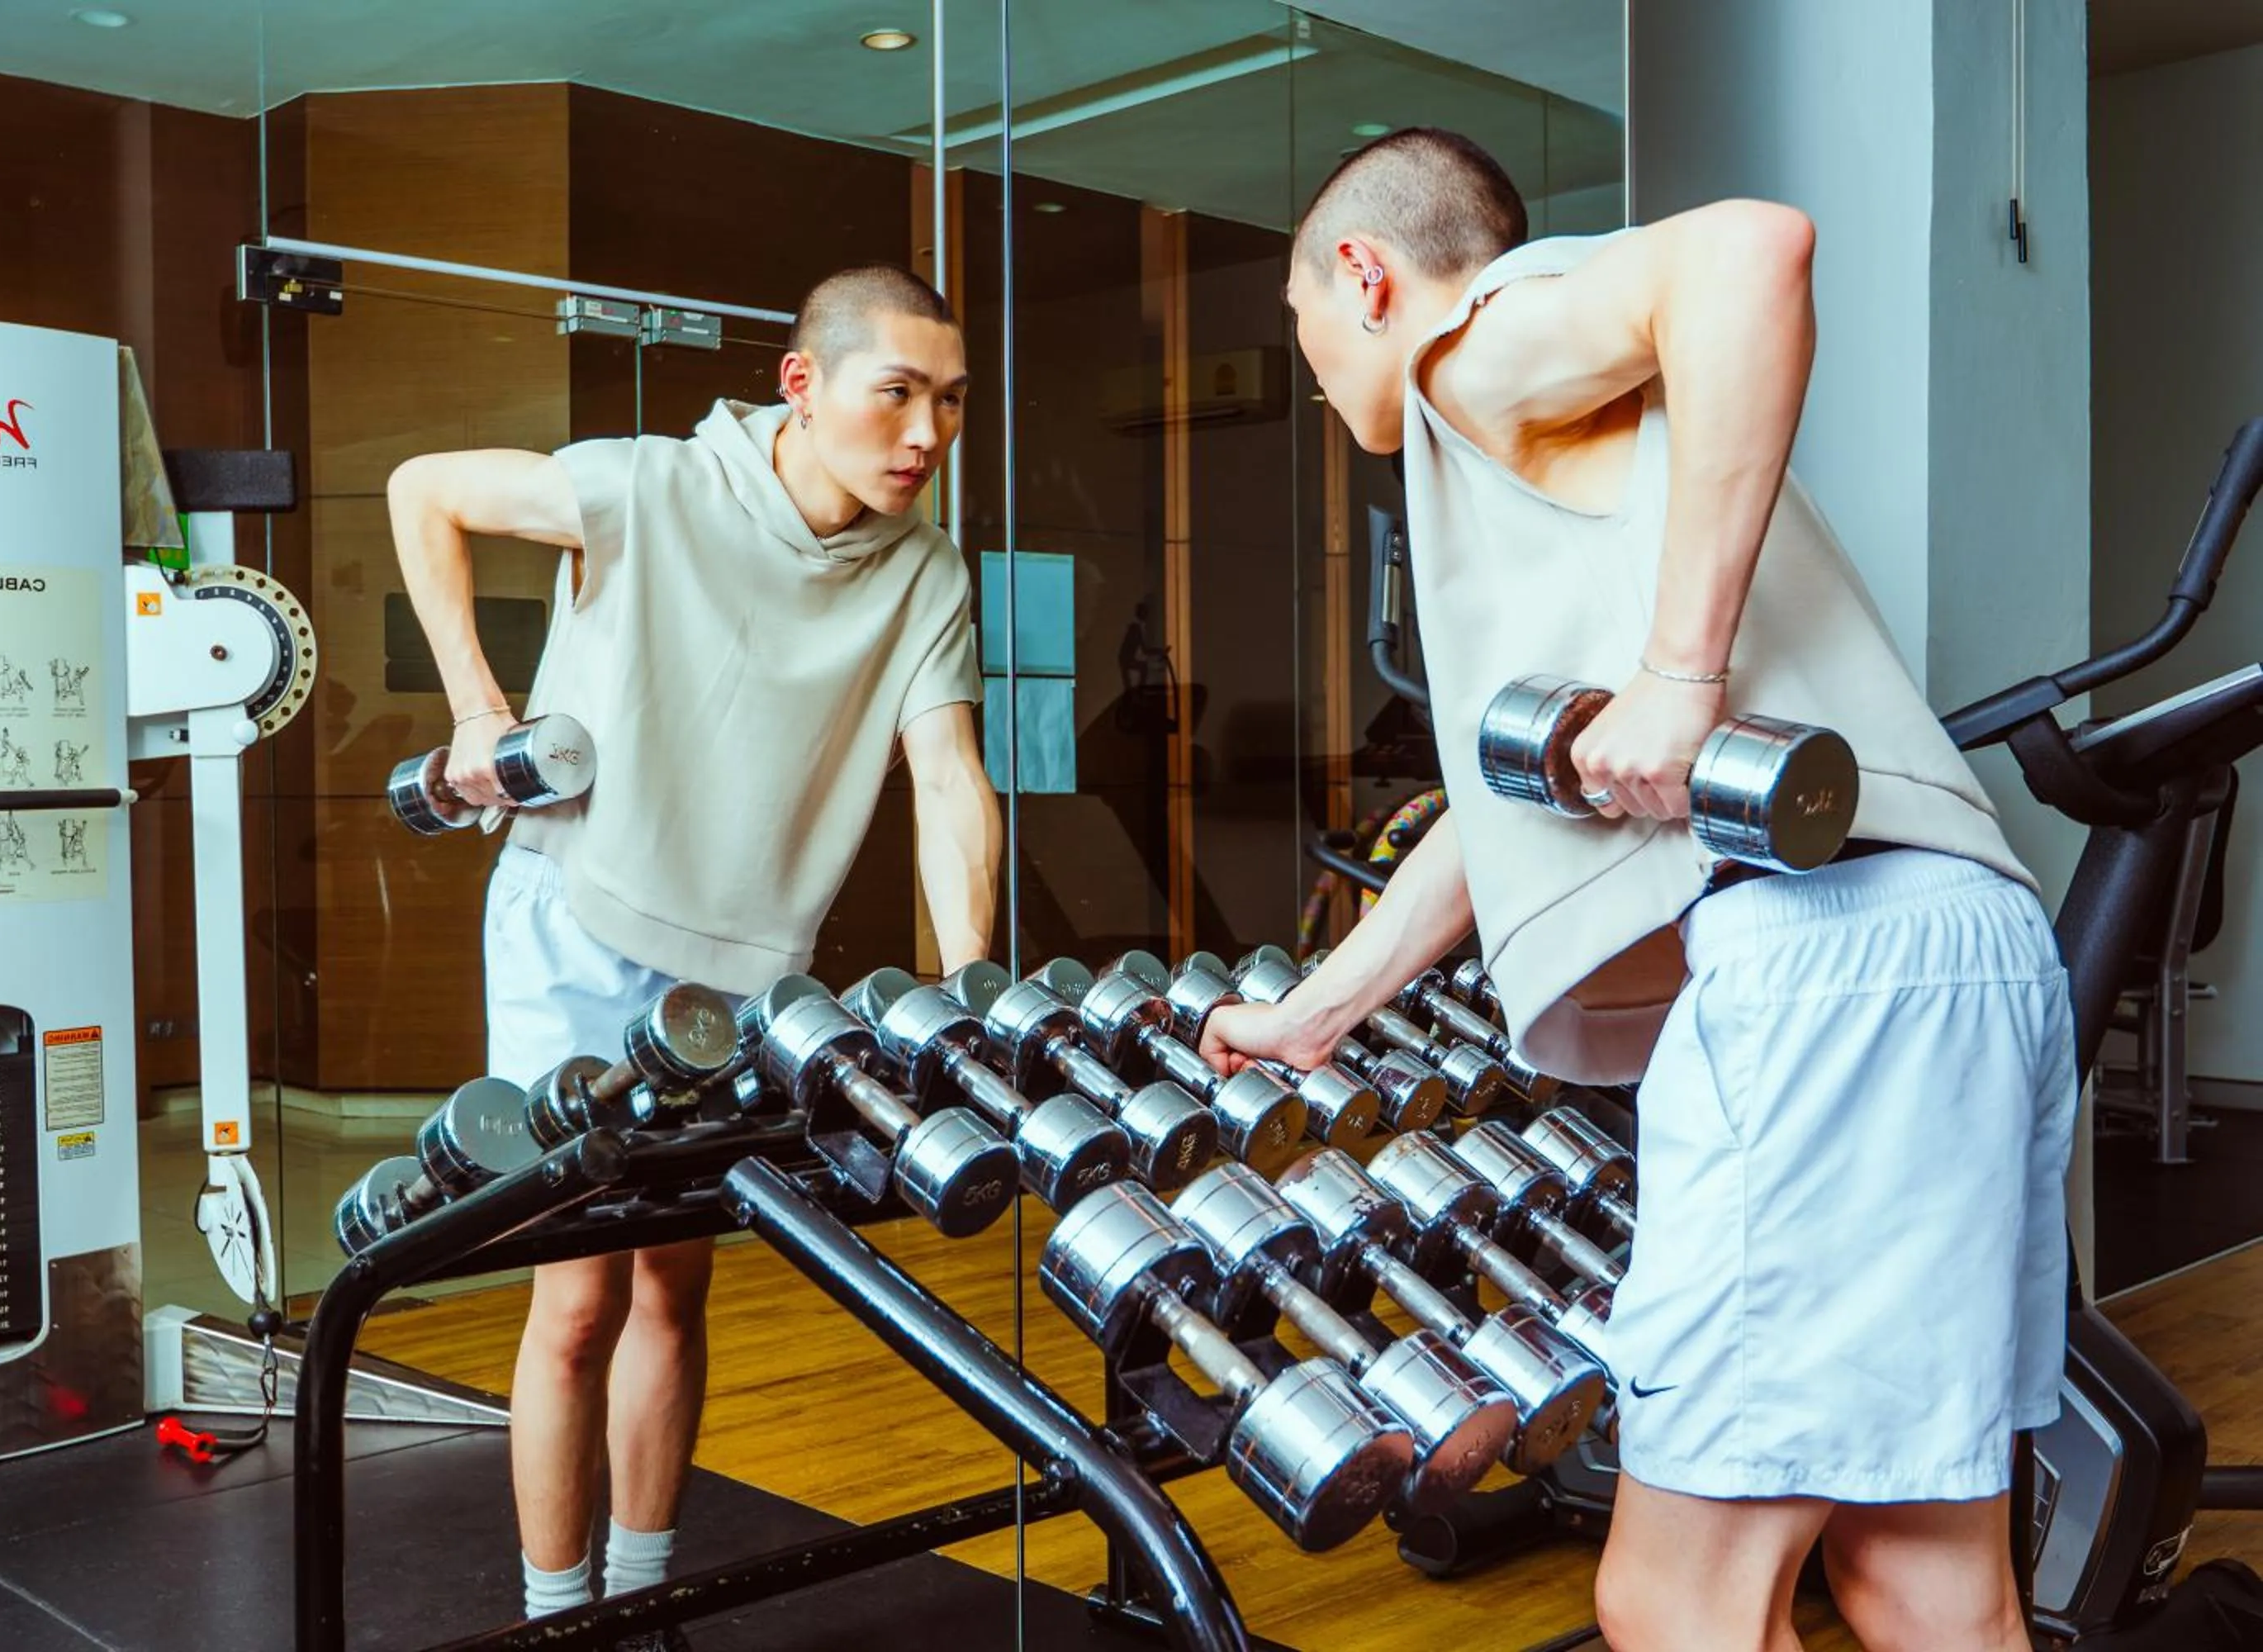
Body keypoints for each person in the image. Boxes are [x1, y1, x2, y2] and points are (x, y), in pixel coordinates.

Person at [1202, 131, 2074, 1652]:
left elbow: (1750, 250)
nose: (1315, 372)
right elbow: (1509, 808)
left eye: (1302, 323)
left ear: (1366, 276)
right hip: (1960, 941)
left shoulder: (1470, 358)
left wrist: (1682, 675)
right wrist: (1321, 1012)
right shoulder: (1548, 460)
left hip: (1819, 964)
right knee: (1923, 1581)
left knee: (1675, 1601)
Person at [387, 264, 1001, 1650]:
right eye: (897, 393)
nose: (927, 434)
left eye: (953, 402)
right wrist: (480, 711)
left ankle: (645, 1600)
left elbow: (949, 778)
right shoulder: (648, 485)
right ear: (802, 384)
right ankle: (560, 1621)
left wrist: (966, 986)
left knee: (678, 1278)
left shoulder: (925, 572)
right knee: (578, 1291)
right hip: (575, 915)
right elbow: (423, 488)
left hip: (733, 971)